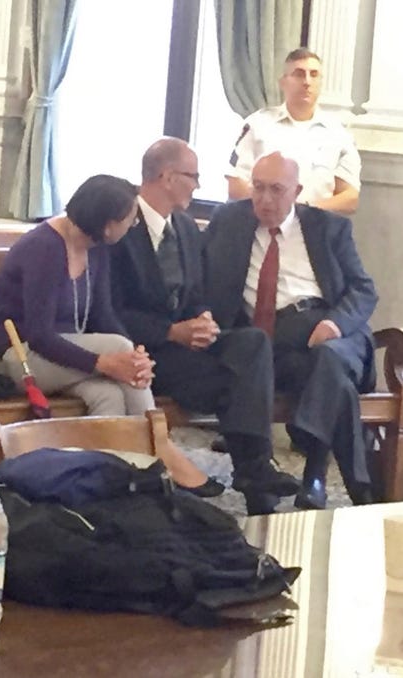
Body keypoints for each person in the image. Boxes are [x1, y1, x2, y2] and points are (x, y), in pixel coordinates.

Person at [0, 174, 218, 494]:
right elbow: (39, 334)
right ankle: (160, 446)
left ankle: (111, 482)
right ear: (108, 224)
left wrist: (136, 357)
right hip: (19, 357)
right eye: (130, 219)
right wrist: (105, 362)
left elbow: (104, 316)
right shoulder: (45, 247)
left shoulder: (96, 247)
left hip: (65, 360)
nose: (133, 225)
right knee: (116, 350)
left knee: (108, 395)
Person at [112, 138, 299, 514]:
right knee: (237, 381)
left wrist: (203, 320)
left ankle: (255, 470)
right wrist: (171, 332)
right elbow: (111, 311)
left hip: (186, 348)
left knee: (251, 345)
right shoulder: (121, 224)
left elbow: (197, 292)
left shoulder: (183, 225)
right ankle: (255, 478)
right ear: (166, 177)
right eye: (192, 177)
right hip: (144, 355)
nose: (197, 186)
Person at [205, 152, 378, 509]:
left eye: (277, 190)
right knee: (332, 381)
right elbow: (201, 279)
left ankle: (309, 447)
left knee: (328, 357)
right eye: (258, 188)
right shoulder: (229, 221)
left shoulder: (328, 228)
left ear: (297, 191)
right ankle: (351, 487)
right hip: (271, 343)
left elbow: (363, 289)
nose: (265, 199)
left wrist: (334, 323)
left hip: (329, 328)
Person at [226, 48, 361, 216]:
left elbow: (350, 199)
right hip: (260, 225)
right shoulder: (257, 124)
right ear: (283, 82)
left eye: (314, 74)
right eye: (298, 74)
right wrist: (274, 209)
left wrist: (300, 211)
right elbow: (236, 185)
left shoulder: (338, 134)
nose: (307, 81)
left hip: (314, 228)